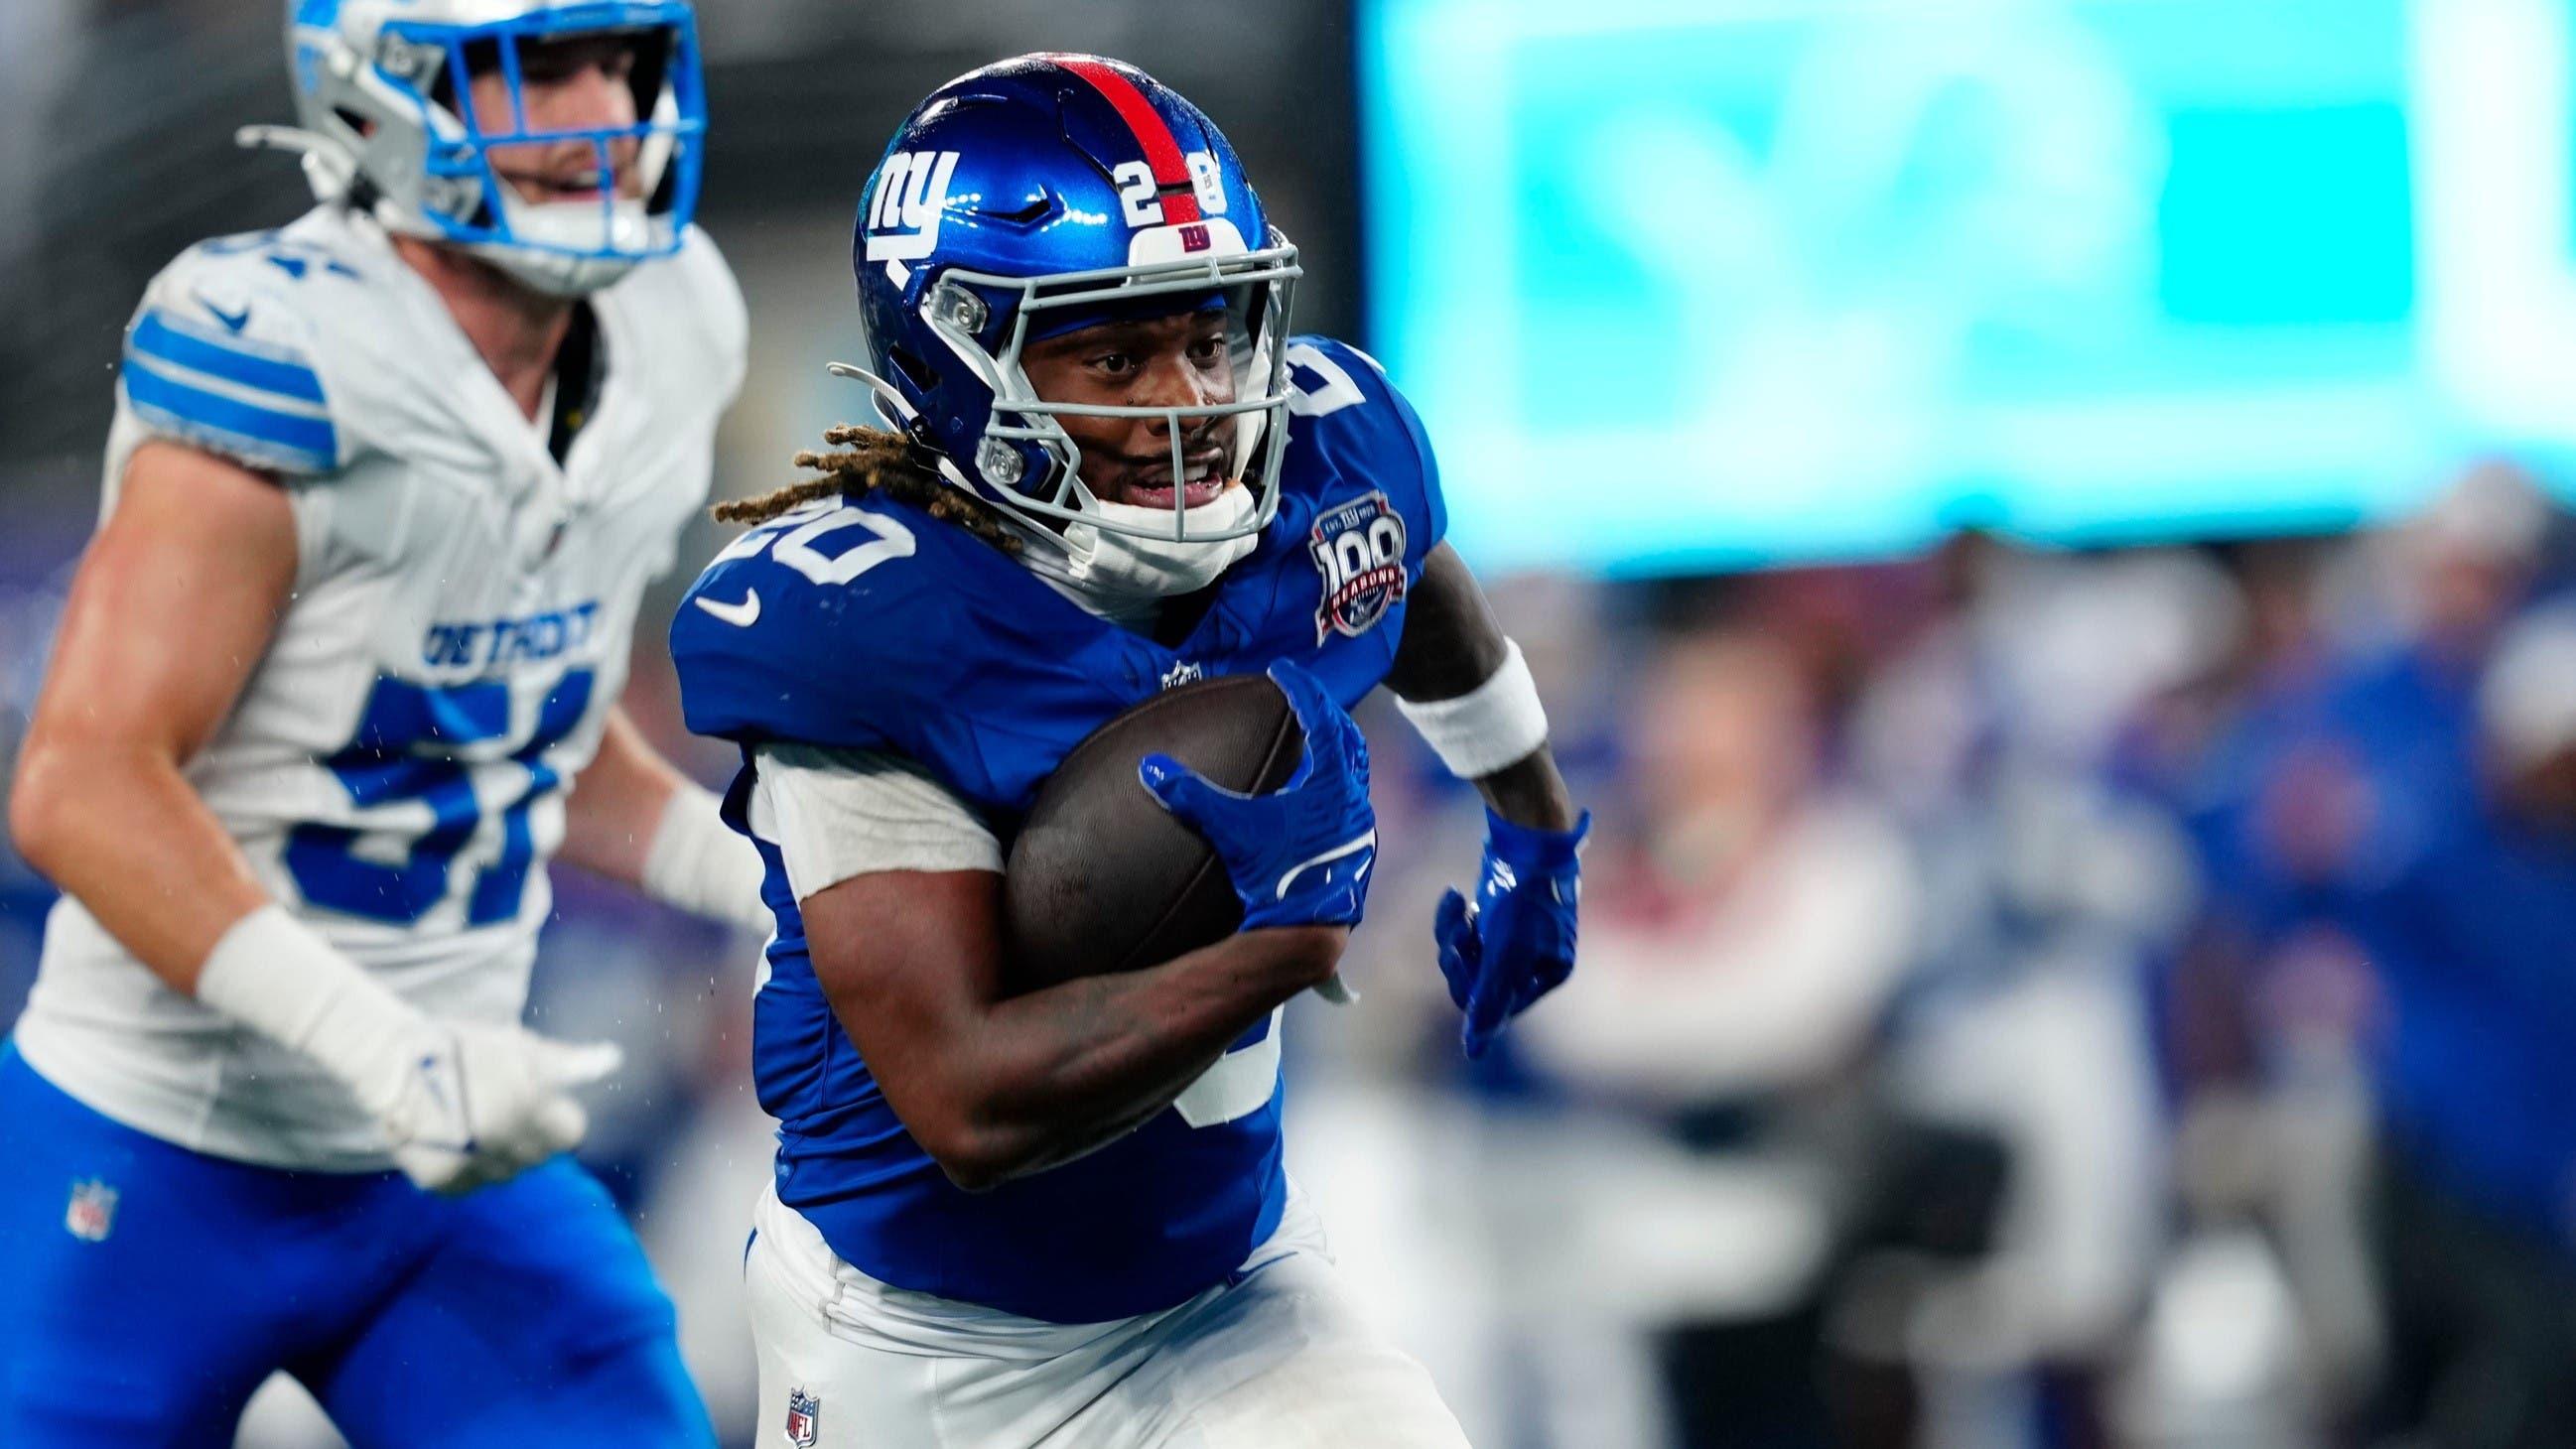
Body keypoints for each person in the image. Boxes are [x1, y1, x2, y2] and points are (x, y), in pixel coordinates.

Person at [669, 54, 1589, 1447]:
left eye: (1211, 336)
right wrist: (1285, 946)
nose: (1195, 398)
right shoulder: (871, 626)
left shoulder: (1323, 467)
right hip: (926, 1344)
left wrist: (1531, 816)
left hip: (1228, 1300)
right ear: (959, 359)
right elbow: (969, 1104)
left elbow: (1408, 583)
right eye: (1114, 353)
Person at [0, 2, 765, 1443]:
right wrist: (384, 1047)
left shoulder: (675, 324)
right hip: (147, 1142)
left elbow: (530, 724)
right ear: (377, 96)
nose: (604, 105)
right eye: (540, 67)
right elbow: (81, 784)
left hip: (443, 1166)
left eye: (622, 60)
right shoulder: (280, 350)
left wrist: (761, 882)